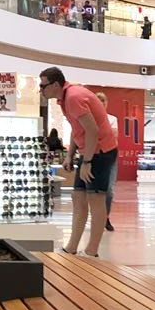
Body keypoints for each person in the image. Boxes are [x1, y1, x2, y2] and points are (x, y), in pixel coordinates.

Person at [39, 67, 118, 258]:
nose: (41, 90)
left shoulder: (73, 97)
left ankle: (92, 251)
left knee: (96, 199)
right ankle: (71, 247)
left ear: (55, 85)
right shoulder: (66, 98)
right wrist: (70, 156)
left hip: (100, 152)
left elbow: (92, 131)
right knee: (78, 197)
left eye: (43, 86)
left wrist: (87, 162)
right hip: (89, 152)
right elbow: (78, 130)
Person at [95, 91, 117, 232]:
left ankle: (105, 217)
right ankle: (97, 218)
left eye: (103, 101)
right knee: (93, 191)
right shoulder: (89, 118)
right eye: (98, 101)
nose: (101, 104)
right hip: (93, 155)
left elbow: (114, 135)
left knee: (108, 190)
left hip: (109, 156)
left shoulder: (112, 119)